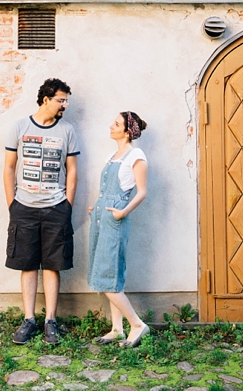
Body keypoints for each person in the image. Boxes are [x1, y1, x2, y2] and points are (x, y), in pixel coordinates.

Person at [3, 78, 79, 346]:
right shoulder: (19, 127)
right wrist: (13, 203)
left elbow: (72, 171)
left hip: (56, 207)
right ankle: (29, 320)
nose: (64, 105)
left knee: (53, 265)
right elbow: (9, 167)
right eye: (61, 100)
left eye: (66, 100)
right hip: (24, 207)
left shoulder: (67, 130)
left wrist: (67, 204)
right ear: (45, 99)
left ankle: (50, 321)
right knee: (27, 264)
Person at [87, 111, 150, 347]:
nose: (110, 126)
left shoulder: (137, 155)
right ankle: (117, 329)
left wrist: (122, 212)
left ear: (127, 131)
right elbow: (108, 190)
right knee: (107, 273)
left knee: (107, 274)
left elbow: (141, 191)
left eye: (116, 124)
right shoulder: (113, 155)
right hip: (102, 217)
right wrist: (98, 206)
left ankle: (136, 324)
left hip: (115, 220)